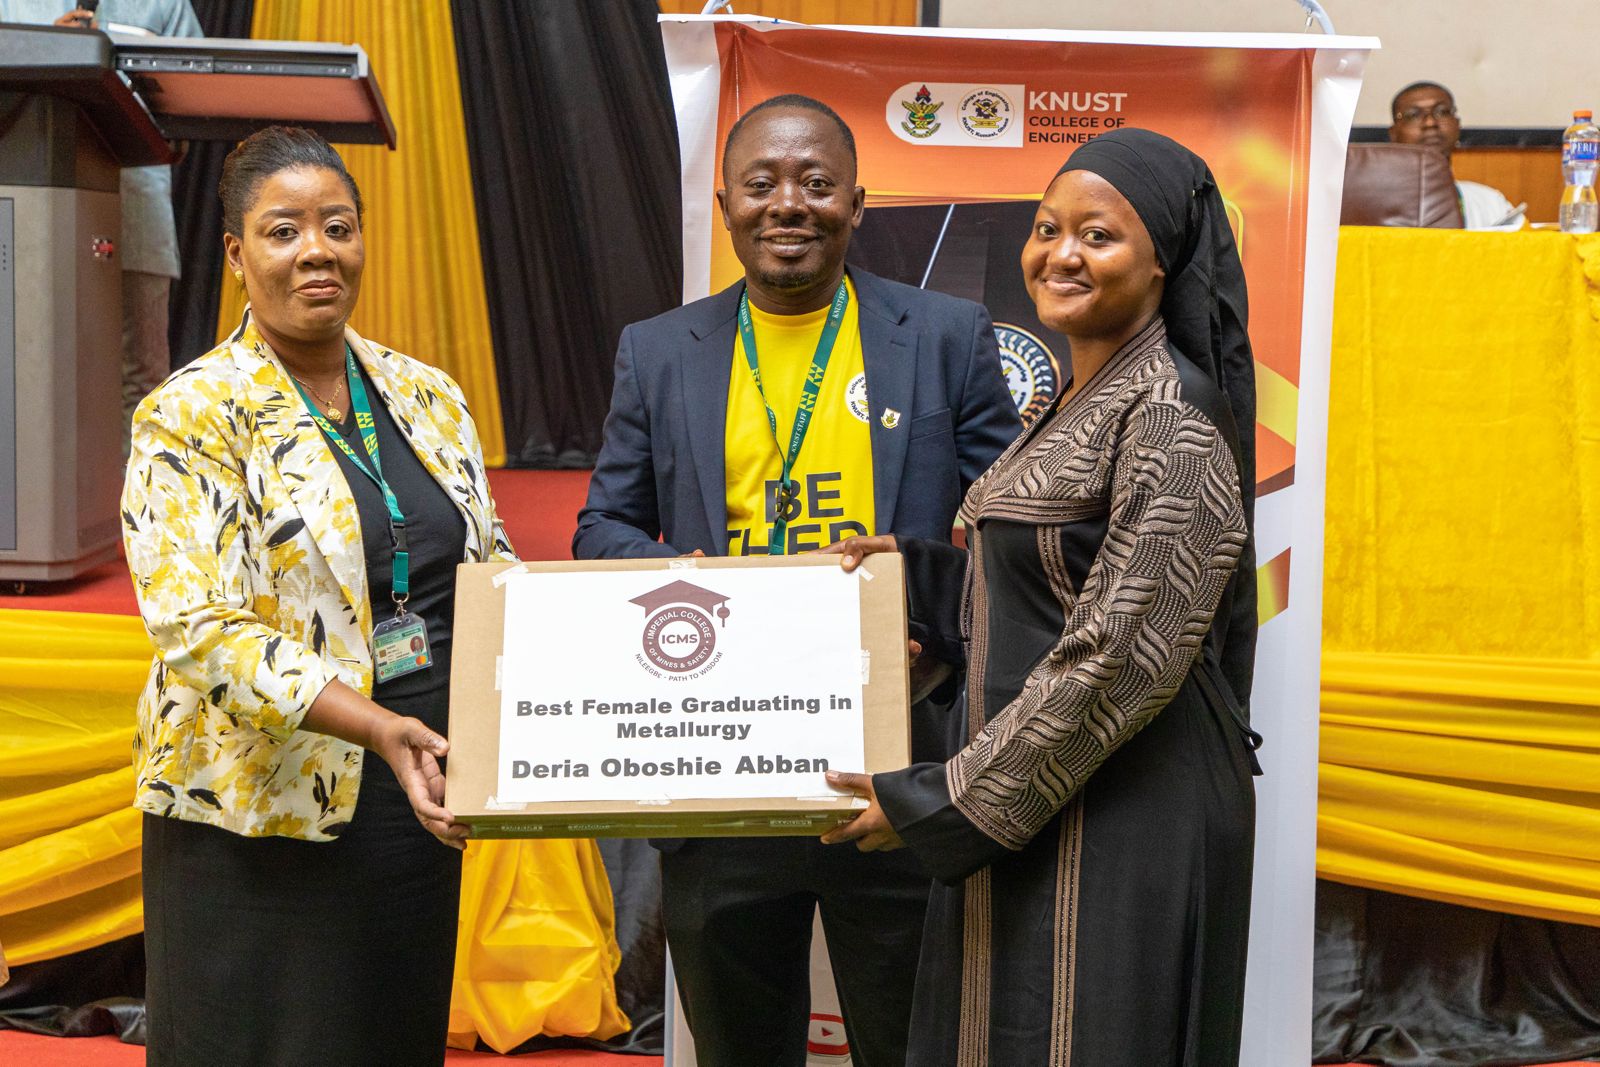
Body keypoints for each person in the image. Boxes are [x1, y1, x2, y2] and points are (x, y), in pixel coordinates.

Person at [574, 94, 1019, 1066]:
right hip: (720, 770)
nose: (790, 204)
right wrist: (683, 577)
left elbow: (1020, 538)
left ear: (856, 203)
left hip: (896, 767)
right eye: (764, 183)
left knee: (912, 1045)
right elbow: (601, 528)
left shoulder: (945, 335)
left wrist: (925, 602)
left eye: (816, 184)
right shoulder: (659, 351)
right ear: (726, 202)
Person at [823, 128, 1263, 1066]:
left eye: (1098, 236)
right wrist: (909, 583)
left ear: (1161, 264)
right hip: (1038, 796)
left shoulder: (1171, 417)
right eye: (1046, 228)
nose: (1060, 253)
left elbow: (1120, 653)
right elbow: (1046, 572)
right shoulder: (1072, 397)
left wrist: (944, 797)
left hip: (1127, 812)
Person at [122, 126, 510, 1066]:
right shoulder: (189, 411)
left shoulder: (428, 396)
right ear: (236, 253)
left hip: (419, 794)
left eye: (338, 226)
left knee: (389, 1034)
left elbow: (489, 568)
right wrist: (375, 724)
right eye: (283, 230)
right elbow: (198, 627)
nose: (316, 252)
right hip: (259, 812)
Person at [0, 1, 204, 438]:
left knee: (144, 384)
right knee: (22, 372)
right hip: (26, 212)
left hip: (138, 209)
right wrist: (36, 53)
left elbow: (201, 89)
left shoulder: (163, 4)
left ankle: (142, 506)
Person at [1388, 80, 1523, 230]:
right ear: (1394, 133)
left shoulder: (1489, 201)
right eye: (1413, 115)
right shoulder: (1376, 202)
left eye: (1442, 112)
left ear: (1457, 125)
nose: (1430, 122)